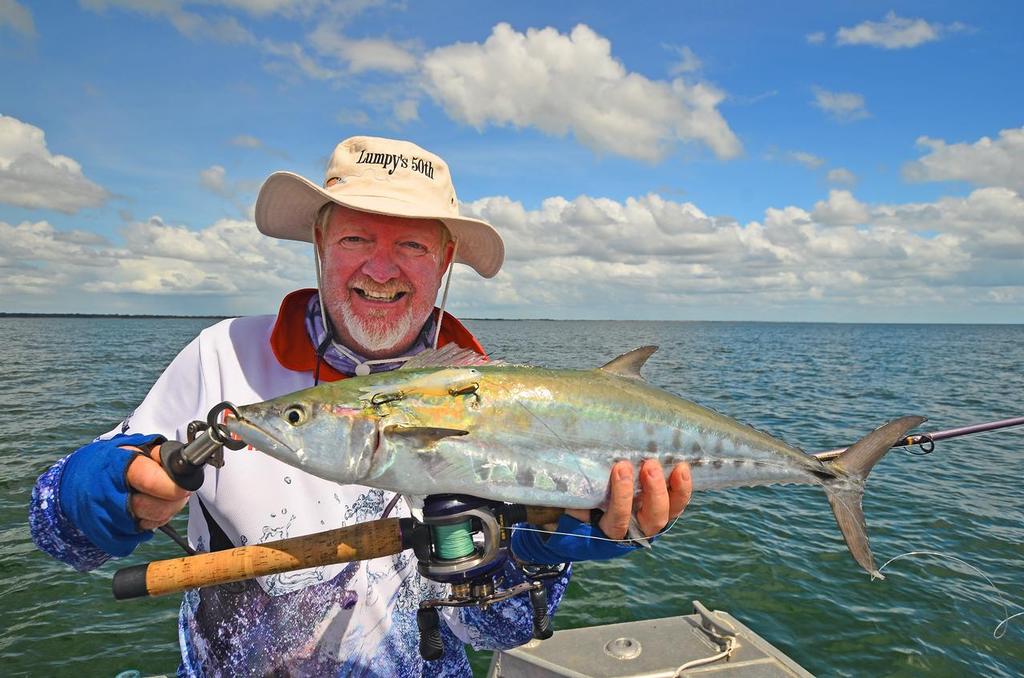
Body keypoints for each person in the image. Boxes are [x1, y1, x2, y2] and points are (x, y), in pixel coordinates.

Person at [30, 136, 692, 676]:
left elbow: (493, 631)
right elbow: (58, 537)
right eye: (355, 240)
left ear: (446, 260)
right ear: (319, 244)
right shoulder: (219, 356)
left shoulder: (496, 402)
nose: (381, 270)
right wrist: (105, 494)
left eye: (410, 244)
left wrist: (545, 553)